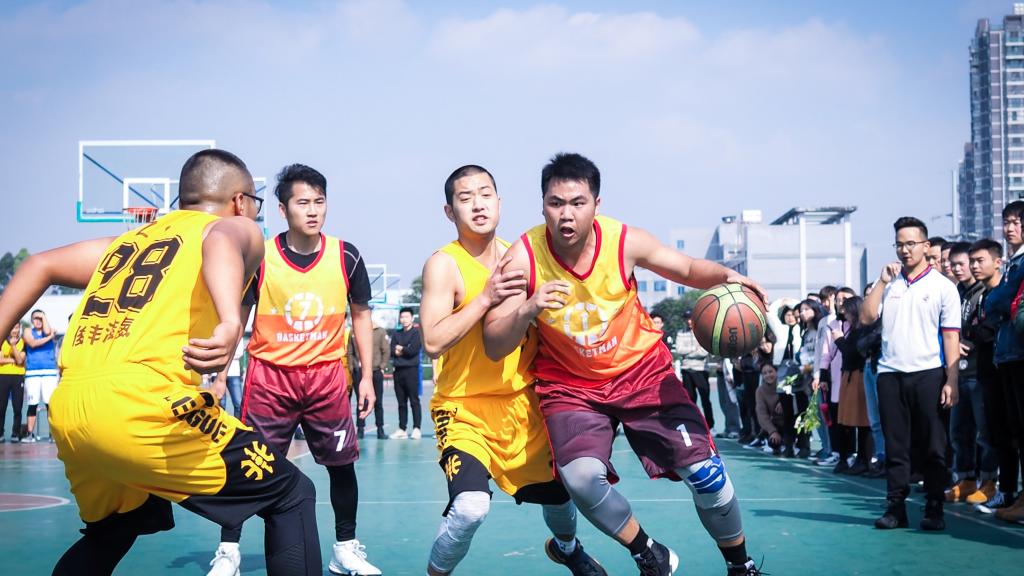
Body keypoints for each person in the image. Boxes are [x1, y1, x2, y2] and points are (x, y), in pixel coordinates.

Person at [0, 149, 322, 575]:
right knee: (292, 495)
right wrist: (230, 321)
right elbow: (222, 239)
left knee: (116, 527)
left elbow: (39, 263)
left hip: (72, 408)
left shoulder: (127, 243)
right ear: (240, 201)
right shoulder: (232, 226)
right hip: (141, 403)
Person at [483, 153, 765, 576]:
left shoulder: (624, 241)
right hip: (571, 387)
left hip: (642, 374)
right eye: (556, 203)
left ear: (596, 204)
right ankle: (647, 552)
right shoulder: (523, 258)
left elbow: (687, 268)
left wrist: (728, 277)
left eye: (577, 202)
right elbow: (493, 343)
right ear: (542, 206)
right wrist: (528, 308)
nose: (566, 214)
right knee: (580, 479)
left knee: (707, 476)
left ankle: (740, 565)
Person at [419, 164, 604, 576]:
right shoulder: (444, 264)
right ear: (449, 211)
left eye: (485, 194)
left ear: (500, 204)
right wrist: (485, 298)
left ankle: (567, 548)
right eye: (465, 198)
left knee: (562, 495)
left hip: (524, 405)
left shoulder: (521, 256)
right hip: (464, 408)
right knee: (469, 509)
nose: (478, 204)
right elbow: (432, 340)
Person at [207, 163, 380, 576]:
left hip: (327, 377)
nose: (313, 210)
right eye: (303, 202)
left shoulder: (346, 256)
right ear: (283, 210)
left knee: (342, 466)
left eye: (320, 201)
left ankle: (345, 547)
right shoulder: (261, 256)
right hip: (270, 379)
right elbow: (237, 317)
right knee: (250, 464)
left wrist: (367, 377)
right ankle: (228, 551)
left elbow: (361, 316)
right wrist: (220, 375)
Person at [863, 216, 960, 531]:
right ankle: (896, 508)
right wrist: (880, 283)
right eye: (899, 244)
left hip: (929, 374)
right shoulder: (889, 284)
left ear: (926, 246)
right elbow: (866, 317)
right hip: (890, 375)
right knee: (895, 446)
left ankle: (934, 507)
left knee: (933, 446)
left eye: (911, 244)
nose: (904, 250)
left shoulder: (943, 287)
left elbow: (951, 337)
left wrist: (952, 380)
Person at [945, 242, 997, 503]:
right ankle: (965, 479)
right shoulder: (956, 293)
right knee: (959, 430)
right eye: (953, 264)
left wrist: (968, 341)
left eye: (963, 263)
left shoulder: (986, 292)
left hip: (980, 371)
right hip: (959, 372)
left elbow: (988, 328)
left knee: (985, 431)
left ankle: (988, 482)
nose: (958, 269)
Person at [983, 200, 1024, 523]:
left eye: (1016, 222)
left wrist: (1001, 302)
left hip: (1019, 353)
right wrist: (1000, 302)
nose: (1009, 228)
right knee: (1014, 430)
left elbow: (1000, 299)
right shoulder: (1013, 264)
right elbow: (994, 302)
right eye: (1006, 221)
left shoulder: (1020, 265)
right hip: (1008, 353)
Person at [969, 239, 1017, 513]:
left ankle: (1008, 490)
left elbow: (986, 331)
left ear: (998, 262)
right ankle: (1006, 491)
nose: (974, 266)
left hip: (1004, 369)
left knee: (1009, 434)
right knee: (997, 433)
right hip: (989, 370)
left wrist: (981, 330)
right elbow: (976, 330)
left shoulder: (1004, 291)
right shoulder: (983, 296)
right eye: (972, 261)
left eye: (980, 261)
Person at [832, 296, 873, 476]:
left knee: (861, 421)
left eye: (847, 311)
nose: (845, 315)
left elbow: (851, 353)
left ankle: (863, 459)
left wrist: (839, 340)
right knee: (846, 421)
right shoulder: (853, 329)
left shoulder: (860, 331)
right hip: (849, 376)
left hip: (857, 375)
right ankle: (854, 459)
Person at [766, 298, 805, 458]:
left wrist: (793, 302)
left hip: (799, 370)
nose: (790, 317)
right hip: (783, 369)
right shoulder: (781, 329)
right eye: (787, 315)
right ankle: (788, 446)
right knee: (787, 411)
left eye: (793, 314)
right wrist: (782, 301)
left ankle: (804, 445)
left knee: (802, 410)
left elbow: (802, 308)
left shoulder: (802, 329)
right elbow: (770, 313)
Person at [796, 299, 831, 461]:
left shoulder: (820, 329)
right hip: (808, 377)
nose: (802, 313)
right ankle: (825, 446)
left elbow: (822, 354)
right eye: (801, 310)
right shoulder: (805, 333)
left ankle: (830, 448)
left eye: (806, 309)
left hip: (819, 376)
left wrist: (813, 370)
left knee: (823, 414)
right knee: (814, 415)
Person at [348, 317, 389, 439]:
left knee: (378, 401)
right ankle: (360, 428)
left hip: (375, 371)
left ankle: (380, 429)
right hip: (358, 371)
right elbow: (349, 351)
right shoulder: (353, 331)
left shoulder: (380, 331)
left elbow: (386, 350)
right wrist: (352, 367)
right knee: (360, 401)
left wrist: (382, 366)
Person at [23, 309, 59, 442]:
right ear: (31, 320)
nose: (38, 321)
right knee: (32, 404)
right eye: (35, 318)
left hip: (49, 372)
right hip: (33, 373)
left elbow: (48, 331)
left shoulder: (48, 330)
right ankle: (29, 434)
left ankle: (53, 434)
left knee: (50, 404)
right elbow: (32, 343)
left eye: (40, 318)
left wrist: (44, 316)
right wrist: (50, 337)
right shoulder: (28, 331)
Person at [676, 311, 715, 431]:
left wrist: (688, 353)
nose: (689, 321)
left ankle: (710, 426)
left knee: (705, 400)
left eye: (691, 318)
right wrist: (694, 348)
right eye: (687, 318)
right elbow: (679, 350)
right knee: (690, 401)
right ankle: (692, 426)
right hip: (687, 370)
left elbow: (704, 351)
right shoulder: (680, 333)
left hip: (701, 370)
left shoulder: (703, 332)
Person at [389, 307, 423, 439]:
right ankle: (402, 429)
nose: (404, 319)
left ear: (412, 318)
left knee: (414, 400)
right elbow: (392, 350)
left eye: (407, 317)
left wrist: (401, 348)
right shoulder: (396, 334)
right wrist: (404, 348)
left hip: (411, 371)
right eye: (402, 317)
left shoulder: (416, 333)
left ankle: (416, 428)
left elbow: (413, 351)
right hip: (398, 371)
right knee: (401, 402)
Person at [0, 323, 26, 442]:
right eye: (12, 328)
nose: (14, 330)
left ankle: (15, 433)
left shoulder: (23, 342)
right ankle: (0, 433)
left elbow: (20, 360)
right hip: (3, 376)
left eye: (16, 328)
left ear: (19, 328)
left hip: (18, 377)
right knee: (1, 407)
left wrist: (13, 346)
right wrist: (13, 359)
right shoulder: (2, 340)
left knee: (17, 407)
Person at [754, 363, 785, 456]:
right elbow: (762, 414)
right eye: (765, 373)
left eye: (770, 371)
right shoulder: (760, 391)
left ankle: (796, 442)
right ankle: (770, 440)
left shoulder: (785, 385)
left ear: (776, 371)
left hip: (789, 422)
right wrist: (772, 431)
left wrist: (784, 402)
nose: (768, 375)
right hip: (775, 423)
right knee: (774, 442)